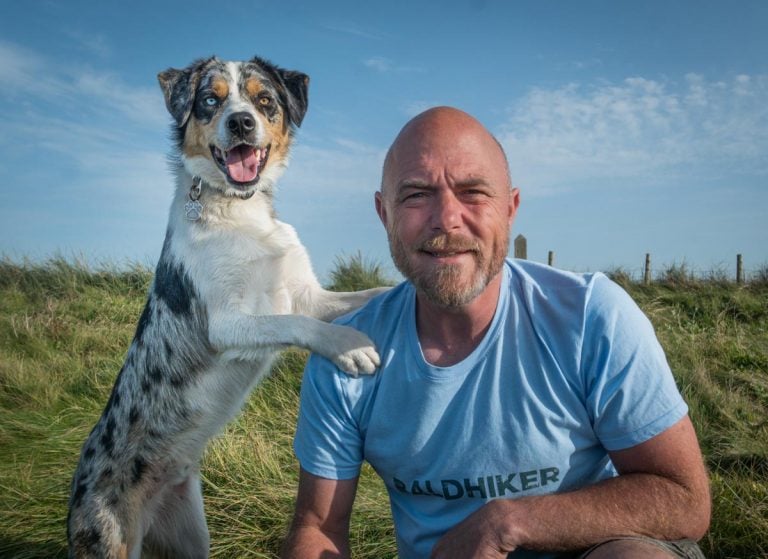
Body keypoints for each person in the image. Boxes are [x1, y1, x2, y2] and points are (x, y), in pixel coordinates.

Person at [281, 107, 711, 559]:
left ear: (511, 208)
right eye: (416, 195)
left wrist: (510, 522)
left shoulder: (589, 317)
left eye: (473, 192)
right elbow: (320, 528)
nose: (446, 219)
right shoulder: (350, 354)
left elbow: (684, 499)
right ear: (383, 213)